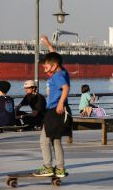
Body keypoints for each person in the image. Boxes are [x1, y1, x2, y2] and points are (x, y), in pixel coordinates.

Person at [33, 36, 70, 178]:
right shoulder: (60, 70)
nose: (45, 69)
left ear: (54, 66)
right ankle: (59, 168)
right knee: (55, 140)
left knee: (44, 140)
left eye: (46, 67)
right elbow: (54, 57)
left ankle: (48, 166)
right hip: (58, 110)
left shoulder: (57, 76)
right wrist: (48, 44)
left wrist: (60, 103)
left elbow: (65, 88)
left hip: (55, 110)